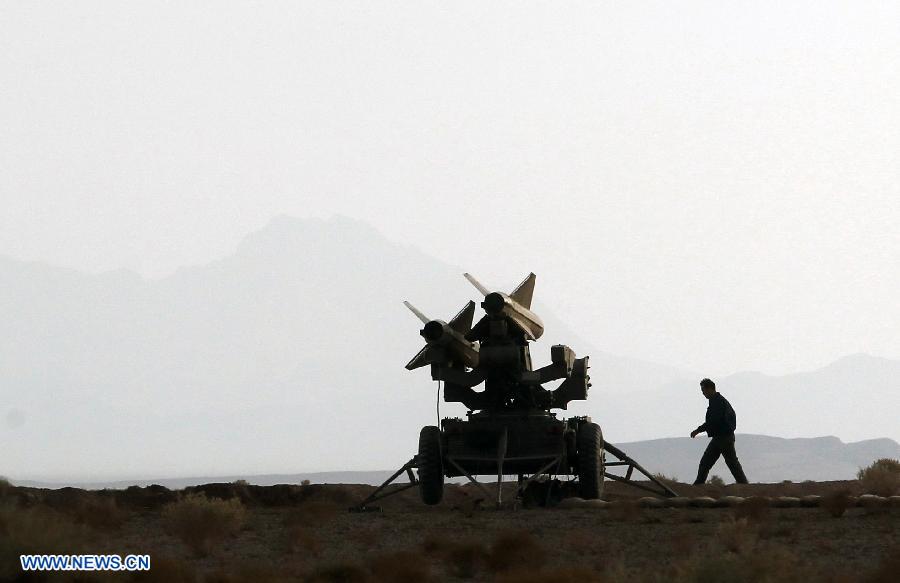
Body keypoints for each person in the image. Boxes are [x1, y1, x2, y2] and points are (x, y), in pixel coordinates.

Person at [690, 378, 748, 485]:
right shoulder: (717, 402)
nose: (703, 394)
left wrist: (698, 430)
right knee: (706, 463)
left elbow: (713, 421)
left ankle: (745, 486)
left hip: (724, 438)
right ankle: (698, 485)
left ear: (710, 389)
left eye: (703, 391)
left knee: (731, 463)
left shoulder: (718, 403)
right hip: (719, 438)